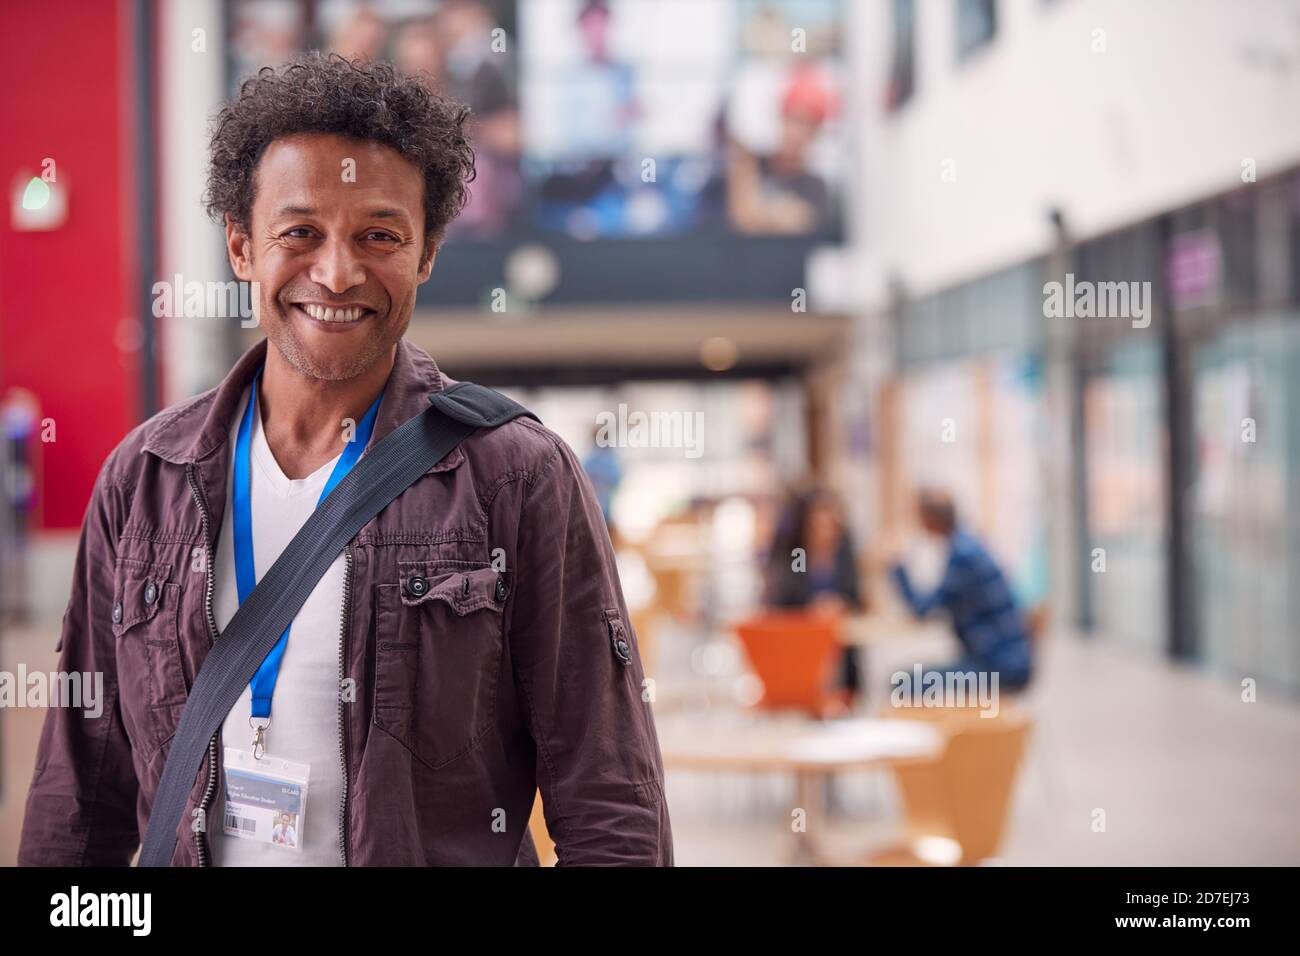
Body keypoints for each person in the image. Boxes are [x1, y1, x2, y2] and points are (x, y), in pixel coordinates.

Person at [18, 53, 671, 867]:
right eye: (300, 232)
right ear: (241, 246)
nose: (337, 271)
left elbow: (609, 803)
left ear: (426, 253)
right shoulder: (145, 480)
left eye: (379, 235)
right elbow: (78, 804)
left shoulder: (516, 477)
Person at [886, 488, 1033, 692]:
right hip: (1005, 661)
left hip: (998, 667)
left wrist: (896, 565)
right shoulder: (967, 545)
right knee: (910, 680)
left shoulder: (963, 557)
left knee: (903, 684)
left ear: (928, 519)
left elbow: (921, 609)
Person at [765, 485, 866, 704]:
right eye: (820, 524)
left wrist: (841, 604)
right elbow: (787, 596)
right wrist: (813, 605)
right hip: (803, 642)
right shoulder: (799, 556)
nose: (826, 531)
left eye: (831, 525)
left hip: (840, 641)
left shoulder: (843, 555)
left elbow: (855, 596)